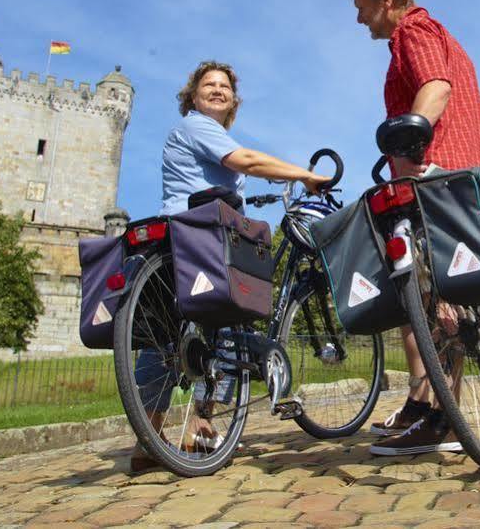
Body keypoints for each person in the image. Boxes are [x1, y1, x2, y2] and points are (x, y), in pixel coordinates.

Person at [130, 60, 331, 473]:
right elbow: (249, 161)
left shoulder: (210, 135)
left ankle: (175, 431)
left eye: (224, 86)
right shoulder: (196, 126)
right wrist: (304, 176)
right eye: (209, 85)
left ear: (233, 99)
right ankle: (182, 427)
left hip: (185, 234)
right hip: (196, 235)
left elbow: (233, 171)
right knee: (224, 321)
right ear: (193, 94)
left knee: (179, 333)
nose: (218, 90)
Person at [344, 0, 480, 456]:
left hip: (431, 178)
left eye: (362, 8)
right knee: (441, 293)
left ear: (385, 0)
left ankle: (441, 418)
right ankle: (431, 407)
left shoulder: (414, 31)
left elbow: (436, 87)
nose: (360, 19)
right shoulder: (450, 40)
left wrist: (411, 136)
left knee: (434, 298)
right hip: (467, 177)